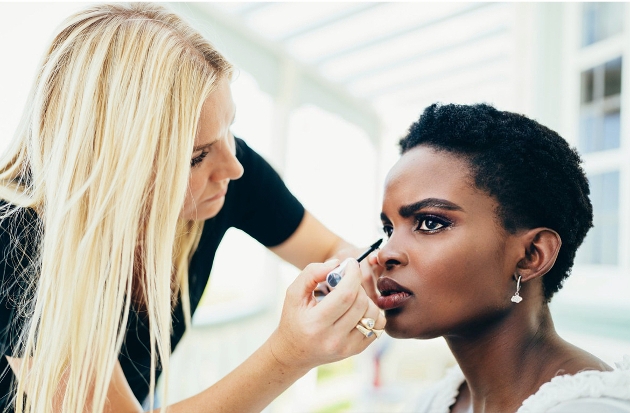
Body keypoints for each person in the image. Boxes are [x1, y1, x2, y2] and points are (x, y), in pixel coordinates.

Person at [0, 3, 385, 413]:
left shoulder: (229, 174)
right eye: (195, 157)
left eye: (230, 128)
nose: (233, 167)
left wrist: (351, 278)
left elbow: (332, 251)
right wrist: (288, 354)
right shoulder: (18, 239)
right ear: (113, 167)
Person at [373, 103, 630, 412]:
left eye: (430, 223)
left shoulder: (592, 408)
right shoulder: (438, 402)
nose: (385, 253)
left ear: (531, 255)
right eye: (389, 228)